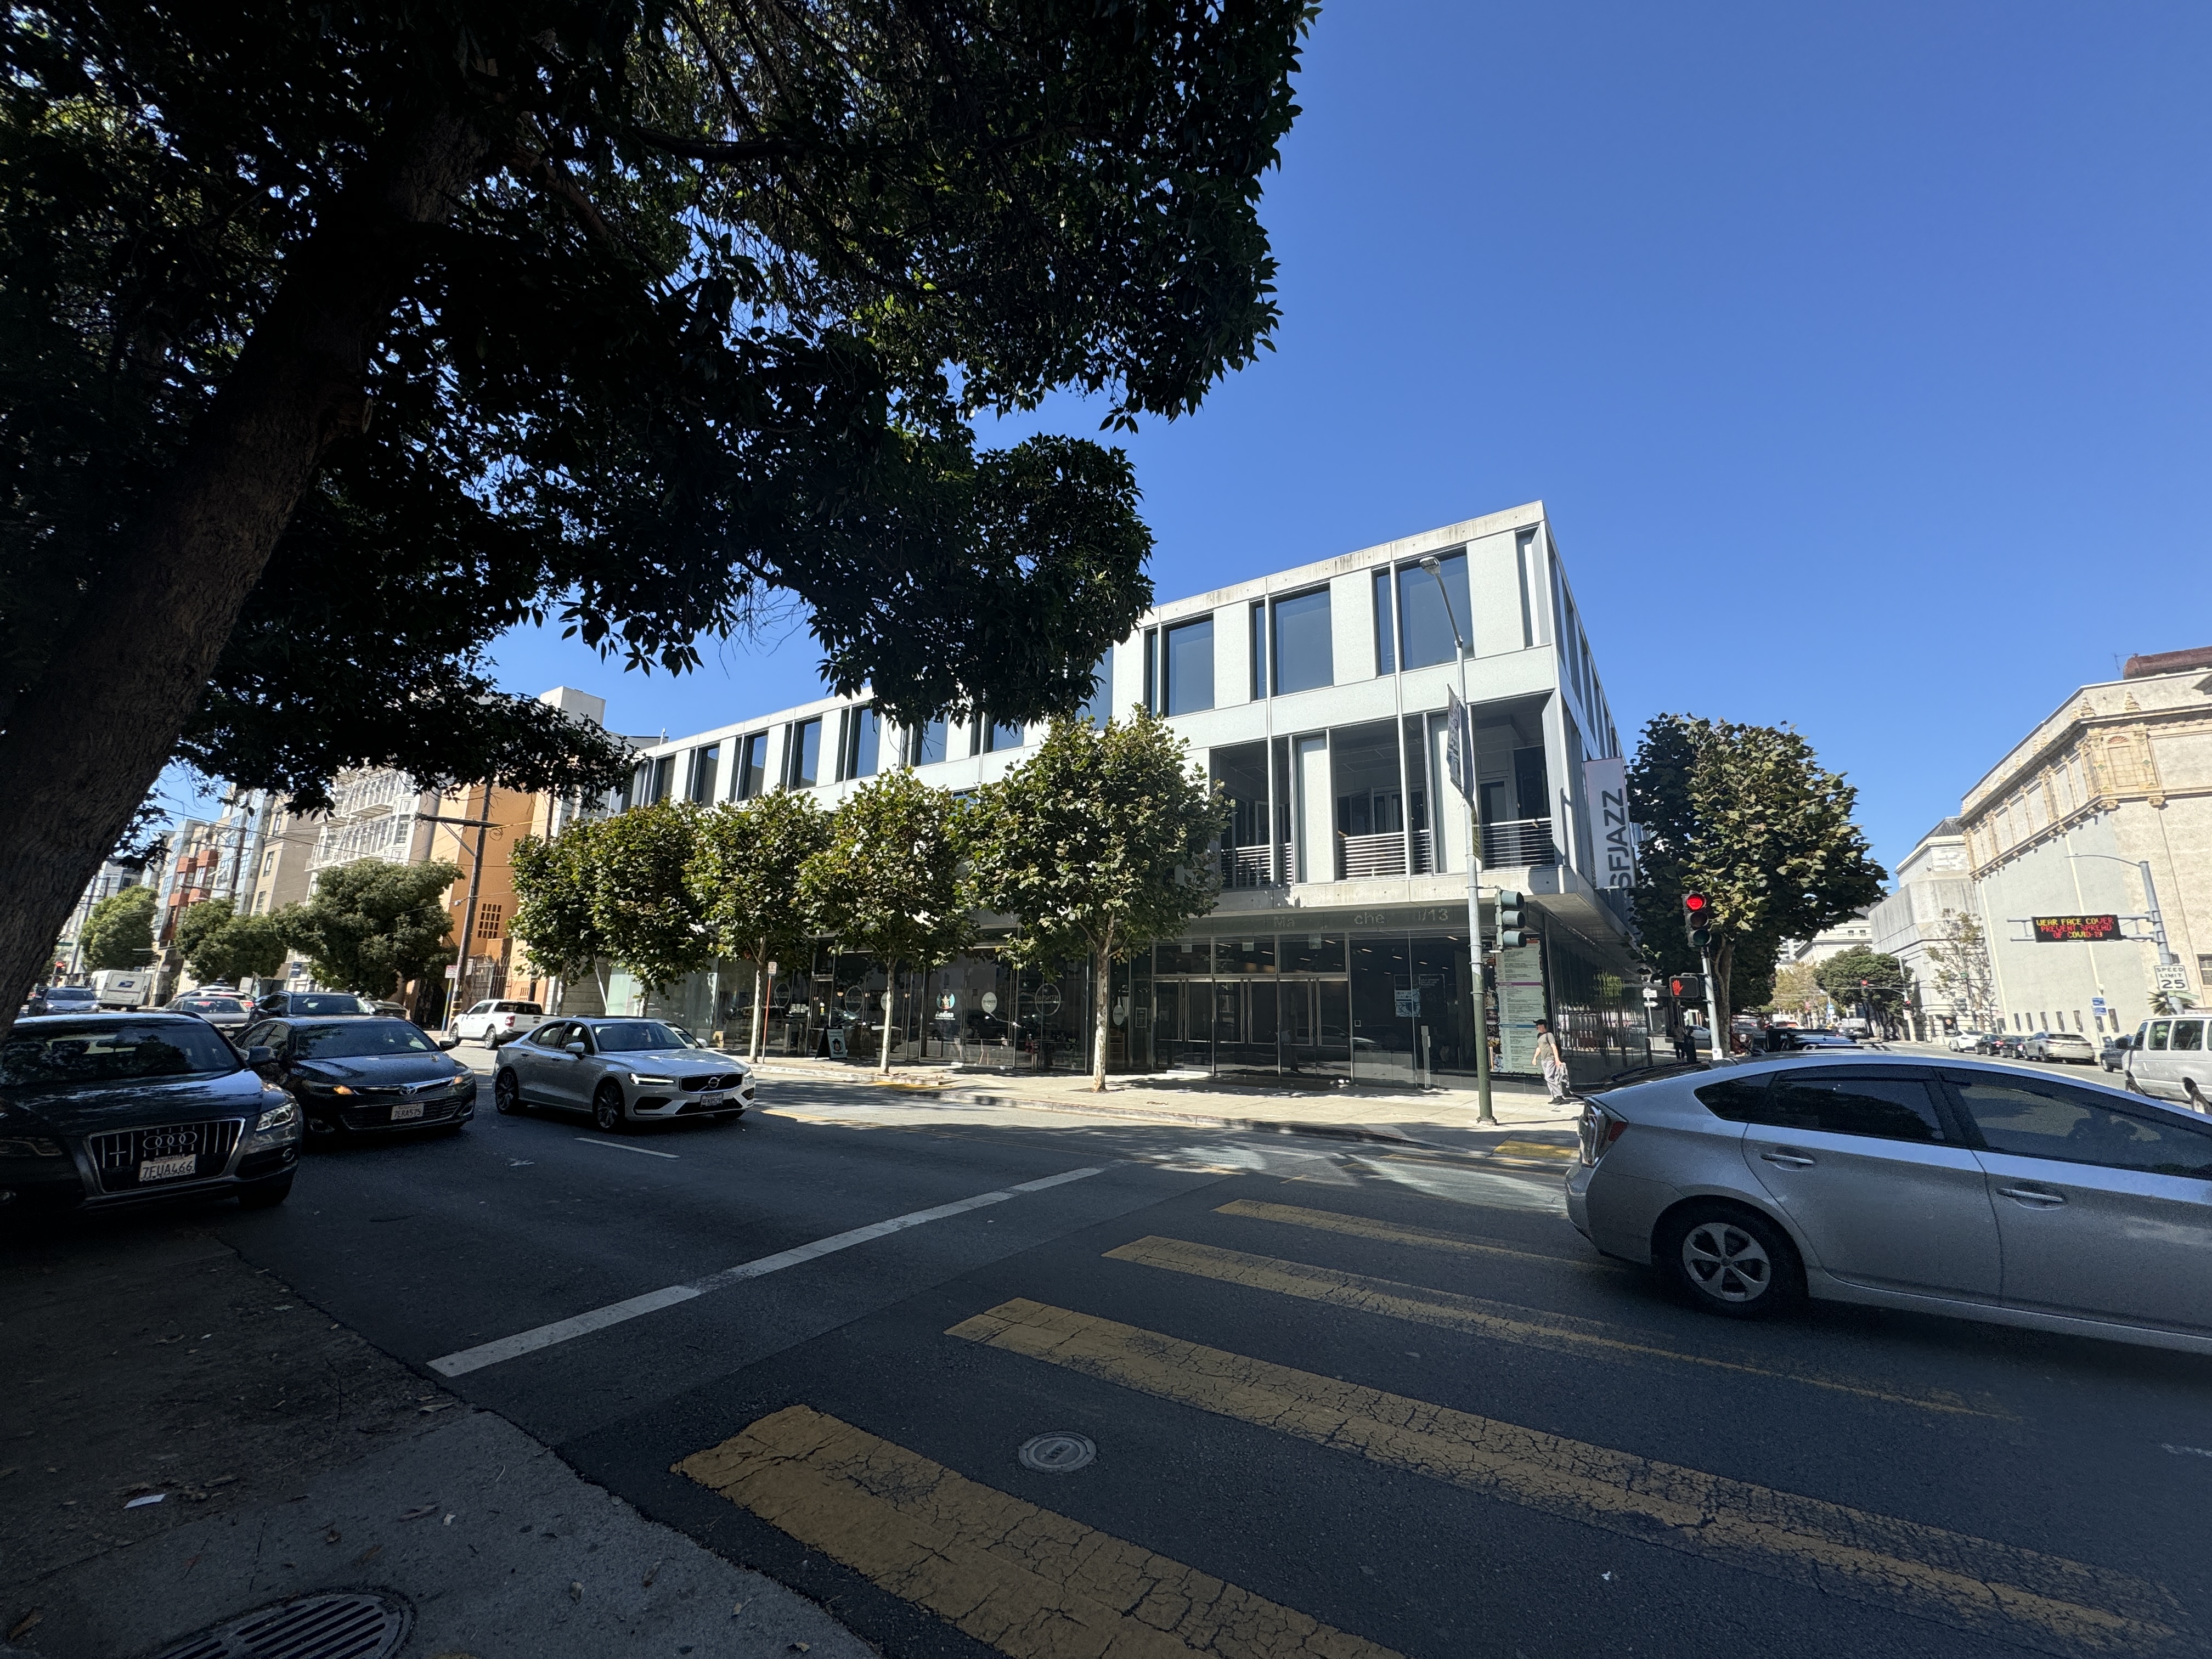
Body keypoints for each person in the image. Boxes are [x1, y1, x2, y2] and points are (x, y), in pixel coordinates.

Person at [1533, 1018, 1574, 1105]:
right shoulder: (1539, 1036)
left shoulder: (1549, 1035)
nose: (1537, 1027)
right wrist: (1535, 1058)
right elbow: (1539, 1048)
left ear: (1543, 1026)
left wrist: (1557, 1060)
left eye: (1538, 1025)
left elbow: (1554, 1048)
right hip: (1544, 1060)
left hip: (1550, 1059)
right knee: (1549, 1079)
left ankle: (1559, 1095)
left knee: (1548, 1078)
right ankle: (1555, 1097)